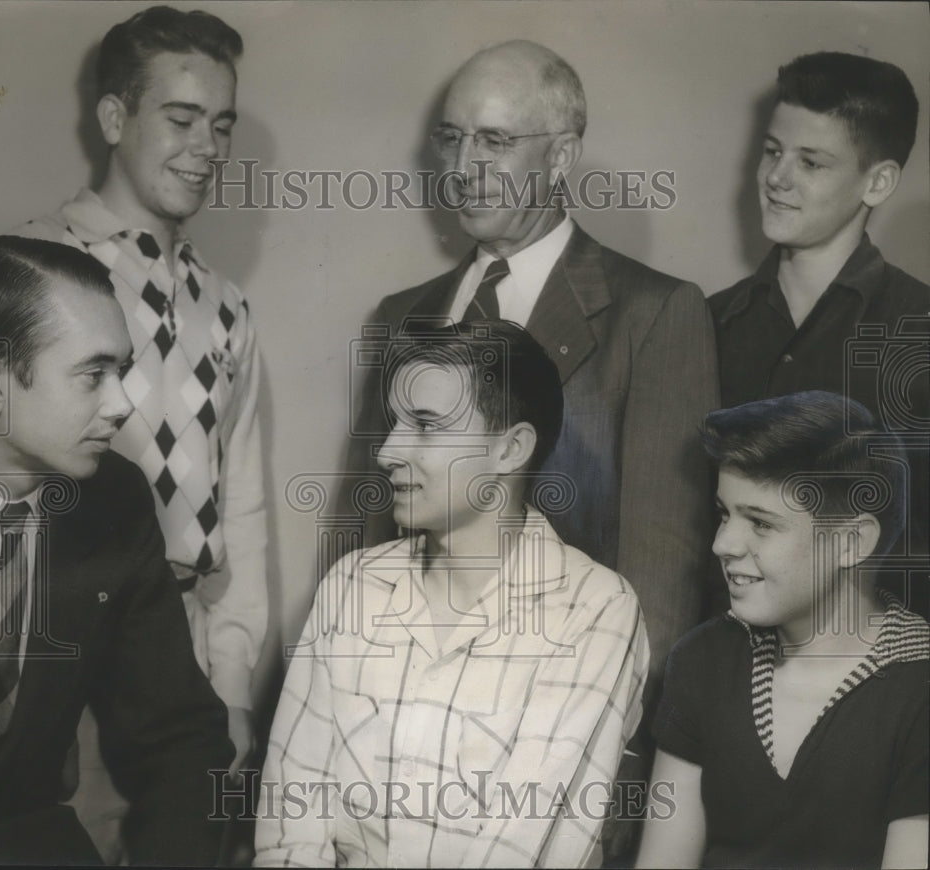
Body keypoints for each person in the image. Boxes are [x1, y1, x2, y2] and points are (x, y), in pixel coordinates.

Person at [348, 40, 718, 745]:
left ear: (561, 156)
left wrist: (606, 760)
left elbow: (661, 577)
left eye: (495, 142)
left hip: (557, 729)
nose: (463, 170)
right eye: (451, 139)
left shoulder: (654, 314)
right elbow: (364, 545)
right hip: (396, 721)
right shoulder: (400, 317)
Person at [14, 5, 268, 856]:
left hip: (183, 666)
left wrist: (229, 686)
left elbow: (248, 518)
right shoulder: (23, 267)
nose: (208, 147)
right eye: (182, 118)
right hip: (53, 650)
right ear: (115, 117)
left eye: (222, 125)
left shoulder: (228, 308)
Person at [257, 321, 649, 868]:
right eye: (395, 424)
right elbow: (291, 819)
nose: (388, 451)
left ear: (510, 449)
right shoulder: (352, 586)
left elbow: (526, 846)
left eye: (425, 426)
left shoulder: (594, 610)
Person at [0, 236, 233, 864]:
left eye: (122, 371)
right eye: (94, 375)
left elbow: (180, 735)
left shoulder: (114, 502)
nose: (122, 404)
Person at [635, 391, 929, 869]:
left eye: (761, 524)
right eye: (724, 514)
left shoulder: (919, 690)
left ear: (851, 542)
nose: (722, 543)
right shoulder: (703, 659)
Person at [709, 51, 929, 615]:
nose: (777, 178)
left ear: (878, 182)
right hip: (722, 656)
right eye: (773, 152)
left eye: (811, 162)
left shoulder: (919, 331)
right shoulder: (706, 322)